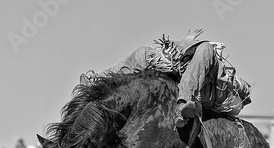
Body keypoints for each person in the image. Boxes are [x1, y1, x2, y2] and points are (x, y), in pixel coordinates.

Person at [80, 29, 252, 128]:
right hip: (189, 81)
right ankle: (98, 81)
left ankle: (183, 104)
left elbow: (242, 91)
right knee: (144, 52)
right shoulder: (186, 60)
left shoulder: (222, 71)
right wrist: (183, 44)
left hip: (212, 92)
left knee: (206, 48)